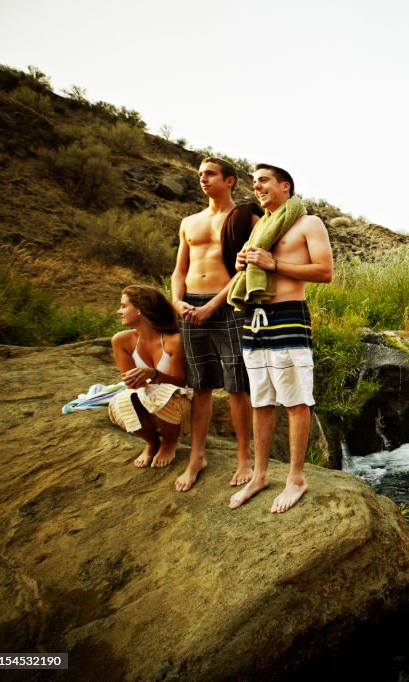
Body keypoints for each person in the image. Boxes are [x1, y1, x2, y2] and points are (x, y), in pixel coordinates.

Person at [228, 163, 333, 513]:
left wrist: (273, 265)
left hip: (289, 316)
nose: (256, 187)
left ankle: (296, 478)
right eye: (254, 182)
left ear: (285, 186)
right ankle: (259, 475)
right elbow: (254, 268)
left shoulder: (308, 223)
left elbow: (324, 271)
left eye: (264, 181)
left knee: (295, 400)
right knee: (260, 399)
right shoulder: (261, 230)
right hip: (255, 320)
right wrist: (245, 264)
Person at [170, 157, 259, 493]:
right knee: (200, 383)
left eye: (210, 174)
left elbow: (245, 270)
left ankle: (243, 458)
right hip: (191, 305)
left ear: (230, 180)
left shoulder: (245, 218)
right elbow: (179, 268)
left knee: (237, 385)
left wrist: (211, 305)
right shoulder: (189, 222)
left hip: (228, 306)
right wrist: (178, 301)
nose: (203, 179)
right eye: (200, 175)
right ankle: (197, 456)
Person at [109, 285, 192, 468]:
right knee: (122, 399)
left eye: (124, 306)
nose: (119, 311)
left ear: (140, 309)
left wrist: (153, 373)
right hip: (147, 407)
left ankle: (170, 442)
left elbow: (180, 382)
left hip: (176, 408)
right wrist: (145, 381)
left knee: (161, 392)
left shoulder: (174, 340)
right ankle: (152, 443)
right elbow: (131, 385)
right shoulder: (121, 340)